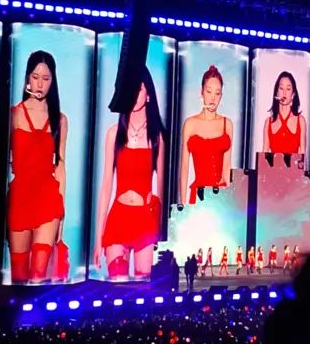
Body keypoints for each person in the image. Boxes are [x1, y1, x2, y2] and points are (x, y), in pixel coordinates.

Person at [94, 72, 167, 280]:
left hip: (145, 220)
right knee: (117, 285)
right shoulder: (114, 134)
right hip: (119, 217)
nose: (134, 94)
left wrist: (160, 232)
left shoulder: (157, 138)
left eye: (139, 89)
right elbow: (106, 185)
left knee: (144, 288)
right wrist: (98, 237)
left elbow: (162, 188)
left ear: (148, 95)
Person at [8, 50, 67, 282]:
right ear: (27, 79)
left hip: (48, 199)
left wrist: (61, 214)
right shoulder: (14, 115)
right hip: (20, 199)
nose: (40, 84)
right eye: (35, 77)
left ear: (53, 81)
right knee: (19, 274)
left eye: (46, 78)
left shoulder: (60, 120)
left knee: (39, 275)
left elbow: (60, 165)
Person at [180, 65, 234, 204]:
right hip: (199, 196)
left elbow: (226, 169)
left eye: (217, 93)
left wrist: (230, 204)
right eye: (209, 91)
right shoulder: (190, 124)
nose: (212, 98)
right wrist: (183, 206)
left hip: (220, 197)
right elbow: (184, 169)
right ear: (201, 92)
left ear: (221, 96)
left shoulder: (227, 124)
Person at [263, 71, 306, 164]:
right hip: (273, 171)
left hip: (294, 171)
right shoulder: (268, 122)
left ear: (293, 94)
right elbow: (264, 157)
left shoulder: (300, 120)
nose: (284, 93)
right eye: (281, 88)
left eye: (288, 89)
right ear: (276, 92)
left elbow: (302, 156)